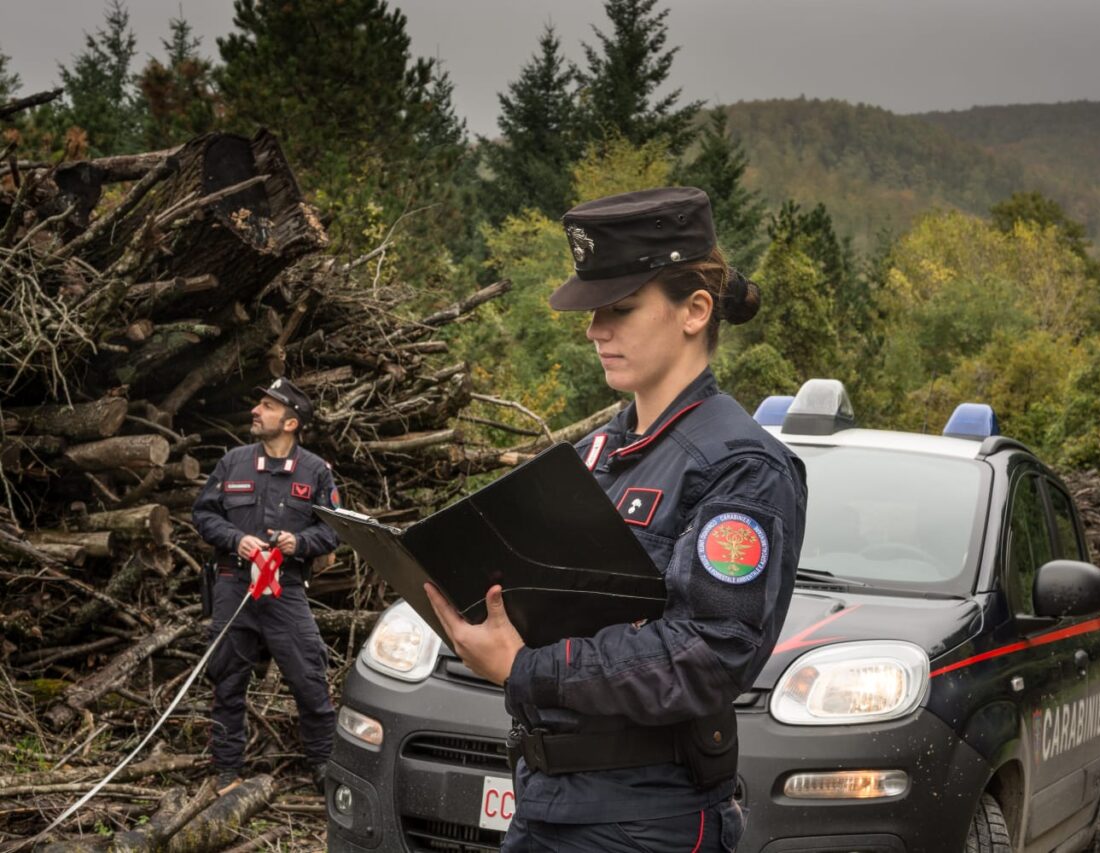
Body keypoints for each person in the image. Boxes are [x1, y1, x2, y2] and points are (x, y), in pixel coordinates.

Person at [424, 187, 808, 852]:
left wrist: (527, 667)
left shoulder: (742, 466)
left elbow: (708, 655)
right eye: (595, 309)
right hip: (548, 801)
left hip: (645, 821)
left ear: (694, 311)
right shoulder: (598, 453)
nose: (596, 328)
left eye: (621, 308)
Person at [192, 377, 340, 795]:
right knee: (226, 681)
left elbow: (334, 530)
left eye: (267, 407)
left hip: (285, 592)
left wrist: (301, 542)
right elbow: (203, 516)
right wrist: (236, 539)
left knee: (310, 680)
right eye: (259, 404)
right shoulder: (232, 462)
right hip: (232, 587)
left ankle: (324, 768)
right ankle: (227, 772)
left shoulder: (315, 472)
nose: (256, 412)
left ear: (291, 423)